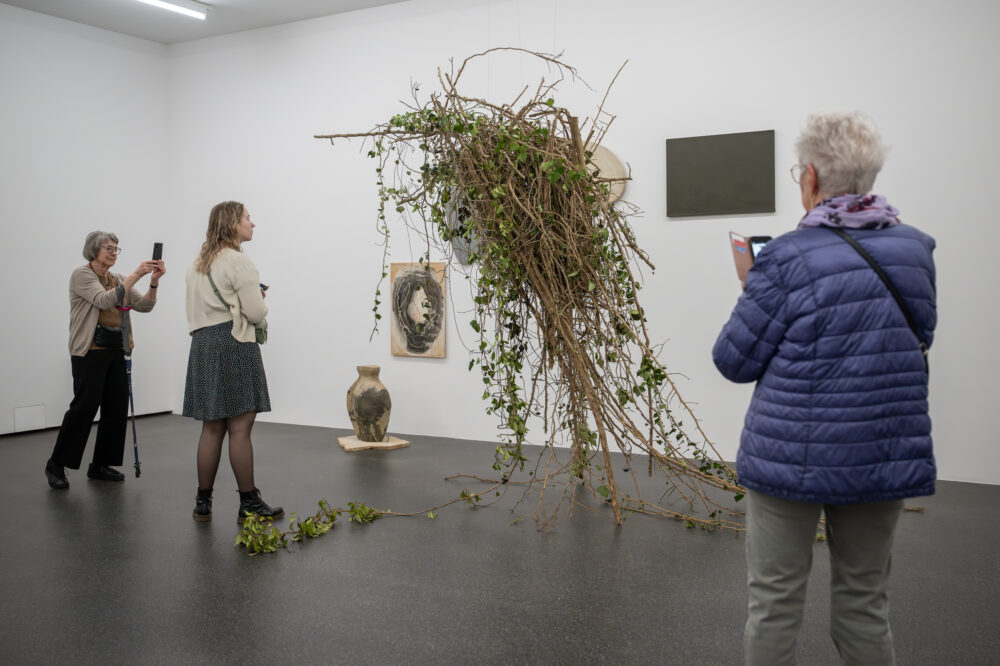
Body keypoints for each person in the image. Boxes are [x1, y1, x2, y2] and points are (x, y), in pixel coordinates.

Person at [713, 112, 936, 665]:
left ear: (810, 177)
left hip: (791, 456)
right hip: (882, 454)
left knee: (775, 606)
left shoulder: (786, 256)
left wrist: (752, 289)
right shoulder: (915, 249)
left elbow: (733, 360)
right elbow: (919, 334)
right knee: (865, 606)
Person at [183, 201, 282, 524]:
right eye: (247, 218)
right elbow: (254, 313)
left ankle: (203, 502)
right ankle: (249, 504)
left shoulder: (197, 263)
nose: (253, 224)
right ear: (232, 224)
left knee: (212, 427)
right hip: (233, 342)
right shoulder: (239, 262)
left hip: (203, 344)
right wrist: (260, 303)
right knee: (240, 427)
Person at [45, 232, 166, 489]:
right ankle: (57, 463)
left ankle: (100, 464)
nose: (113, 252)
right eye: (108, 248)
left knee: (115, 406)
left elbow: (144, 306)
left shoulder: (119, 278)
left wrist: (153, 282)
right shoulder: (82, 275)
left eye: (116, 249)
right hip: (89, 350)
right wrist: (137, 274)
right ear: (94, 250)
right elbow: (103, 299)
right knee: (84, 406)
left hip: (116, 349)